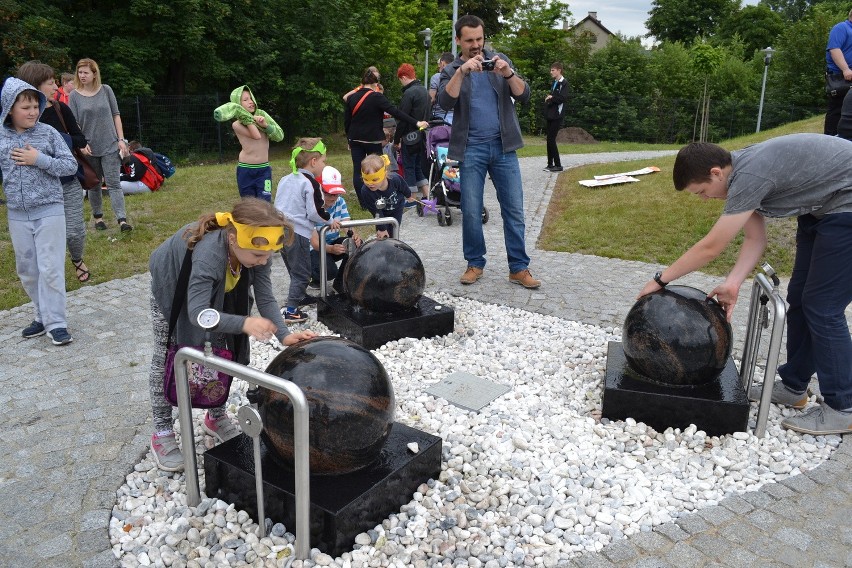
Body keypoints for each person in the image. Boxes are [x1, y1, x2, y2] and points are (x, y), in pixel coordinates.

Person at [639, 133, 852, 436]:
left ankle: (843, 406)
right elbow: (756, 238)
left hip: (846, 206)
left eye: (702, 192)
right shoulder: (740, 174)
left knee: (823, 306)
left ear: (716, 172)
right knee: (802, 299)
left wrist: (660, 279)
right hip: (822, 210)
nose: (704, 199)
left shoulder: (749, 174)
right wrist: (734, 283)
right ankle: (794, 386)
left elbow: (711, 247)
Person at [147, 198, 316, 471]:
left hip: (218, 282)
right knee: (168, 353)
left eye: (268, 255)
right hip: (174, 284)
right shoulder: (209, 256)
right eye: (258, 256)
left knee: (223, 347)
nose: (263, 262)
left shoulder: (256, 251)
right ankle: (162, 432)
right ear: (234, 239)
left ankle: (216, 416)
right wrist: (244, 323)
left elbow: (265, 296)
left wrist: (284, 335)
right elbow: (199, 314)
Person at [436, 14, 541, 290]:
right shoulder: (453, 69)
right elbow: (445, 102)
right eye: (469, 40)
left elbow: (524, 95)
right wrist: (462, 72)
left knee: (514, 210)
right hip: (471, 149)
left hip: (504, 147)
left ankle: (518, 268)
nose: (476, 45)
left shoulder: (499, 60)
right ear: (458, 40)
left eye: (479, 39)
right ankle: (475, 263)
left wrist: (507, 72)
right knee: (470, 210)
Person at [0, 77, 79, 345]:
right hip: (17, 214)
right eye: (26, 107)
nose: (33, 112)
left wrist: (39, 160)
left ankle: (57, 323)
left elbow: (70, 166)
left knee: (51, 268)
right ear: (10, 108)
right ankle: (41, 315)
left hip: (50, 210)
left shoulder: (48, 133)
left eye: (35, 106)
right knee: (28, 270)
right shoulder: (1, 136)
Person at [17, 61, 92, 283]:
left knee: (74, 232)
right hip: (38, 186)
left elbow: (80, 139)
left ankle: (77, 259)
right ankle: (48, 274)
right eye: (50, 83)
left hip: (68, 181)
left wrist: (56, 139)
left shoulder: (61, 108)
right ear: (34, 86)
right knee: (45, 237)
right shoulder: (20, 118)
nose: (55, 87)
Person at [274, 138, 341, 323]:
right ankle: (291, 310)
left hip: (280, 230)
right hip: (298, 233)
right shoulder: (311, 183)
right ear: (313, 161)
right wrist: (330, 219)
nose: (324, 165)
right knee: (303, 273)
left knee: (293, 268)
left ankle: (299, 297)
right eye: (323, 161)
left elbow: (278, 204)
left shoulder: (285, 179)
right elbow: (315, 212)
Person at [344, 67, 429, 209]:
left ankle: (364, 204)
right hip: (373, 139)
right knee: (378, 169)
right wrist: (416, 122)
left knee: (358, 170)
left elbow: (347, 120)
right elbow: (396, 112)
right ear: (376, 83)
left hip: (355, 139)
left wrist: (349, 138)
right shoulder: (377, 97)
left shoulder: (352, 97)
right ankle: (378, 197)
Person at [68, 58, 133, 232]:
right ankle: (98, 218)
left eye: (85, 72)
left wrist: (121, 140)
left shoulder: (106, 90)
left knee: (114, 183)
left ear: (94, 73)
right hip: (89, 148)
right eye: (79, 72)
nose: (82, 76)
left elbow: (116, 115)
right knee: (94, 184)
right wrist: (81, 144)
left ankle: (122, 220)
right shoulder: (73, 96)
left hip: (111, 144)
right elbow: (73, 124)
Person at [213, 85, 284, 201]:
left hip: (264, 169)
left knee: (265, 204)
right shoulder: (237, 124)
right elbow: (256, 135)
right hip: (245, 169)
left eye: (251, 98)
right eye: (245, 100)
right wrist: (247, 117)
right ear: (237, 105)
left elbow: (279, 136)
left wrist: (265, 125)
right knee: (248, 204)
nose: (251, 102)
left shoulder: (262, 115)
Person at [310, 165, 362, 293]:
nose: (333, 197)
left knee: (356, 246)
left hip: (331, 242)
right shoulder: (311, 206)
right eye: (328, 194)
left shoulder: (340, 202)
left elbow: (347, 224)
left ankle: (340, 282)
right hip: (312, 250)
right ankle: (315, 276)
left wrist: (354, 236)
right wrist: (331, 249)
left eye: (336, 193)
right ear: (319, 190)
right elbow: (315, 243)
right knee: (330, 271)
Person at [394, 63, 431, 203]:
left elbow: (403, 119)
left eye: (400, 80)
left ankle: (411, 200)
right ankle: (427, 195)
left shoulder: (409, 93)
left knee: (409, 167)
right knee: (417, 166)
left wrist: (397, 140)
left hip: (409, 136)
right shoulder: (424, 91)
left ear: (403, 77)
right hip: (421, 136)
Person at [360, 154, 414, 239]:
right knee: (382, 234)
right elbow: (376, 212)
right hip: (380, 211)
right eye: (366, 179)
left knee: (394, 230)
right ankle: (383, 248)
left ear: (384, 175)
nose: (370, 183)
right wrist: (382, 229)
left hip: (396, 208)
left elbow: (404, 187)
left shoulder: (395, 179)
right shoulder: (366, 191)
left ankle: (394, 244)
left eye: (374, 179)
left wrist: (408, 195)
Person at [824, 8, 852, 136]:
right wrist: (845, 69)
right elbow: (834, 49)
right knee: (837, 110)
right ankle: (830, 138)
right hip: (840, 77)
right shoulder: (841, 28)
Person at [544, 61, 569, 172]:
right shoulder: (555, 82)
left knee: (551, 139)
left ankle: (558, 165)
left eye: (553, 70)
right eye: (551, 70)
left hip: (557, 115)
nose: (551, 72)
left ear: (559, 70)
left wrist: (551, 98)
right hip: (551, 114)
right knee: (548, 140)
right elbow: (554, 96)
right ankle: (550, 164)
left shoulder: (564, 83)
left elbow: (562, 98)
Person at [429, 52, 455, 124]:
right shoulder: (458, 76)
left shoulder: (436, 77)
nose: (438, 66)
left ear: (442, 63)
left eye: (439, 64)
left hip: (440, 117)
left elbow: (431, 99)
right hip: (456, 118)